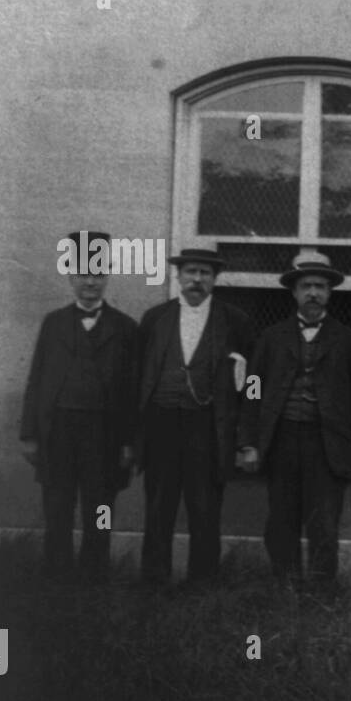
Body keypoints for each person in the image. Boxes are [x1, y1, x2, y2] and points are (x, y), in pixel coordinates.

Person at [236, 250, 351, 589]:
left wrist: (348, 448)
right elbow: (252, 391)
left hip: (327, 445)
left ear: (330, 293)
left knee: (324, 524)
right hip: (281, 440)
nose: (313, 293)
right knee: (281, 521)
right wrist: (249, 441)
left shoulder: (350, 341)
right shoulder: (270, 338)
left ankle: (320, 593)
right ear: (294, 292)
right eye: (306, 286)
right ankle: (286, 587)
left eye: (321, 286)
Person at [19, 230, 138, 582]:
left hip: (104, 435)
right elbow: (36, 380)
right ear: (71, 276)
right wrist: (29, 434)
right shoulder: (53, 323)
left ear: (108, 276)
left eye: (98, 273)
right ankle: (57, 577)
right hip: (58, 432)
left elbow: (132, 391)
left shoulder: (126, 328)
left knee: (99, 507)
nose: (90, 281)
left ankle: (93, 576)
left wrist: (130, 442)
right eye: (83, 273)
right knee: (58, 505)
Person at [136, 248, 254, 585]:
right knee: (158, 509)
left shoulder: (235, 321)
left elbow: (252, 384)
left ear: (215, 279)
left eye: (204, 273)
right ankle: (154, 584)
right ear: (178, 276)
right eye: (190, 272)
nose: (197, 280)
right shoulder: (155, 318)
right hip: (162, 425)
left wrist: (245, 439)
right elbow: (139, 376)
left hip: (207, 430)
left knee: (204, 511)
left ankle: (202, 586)